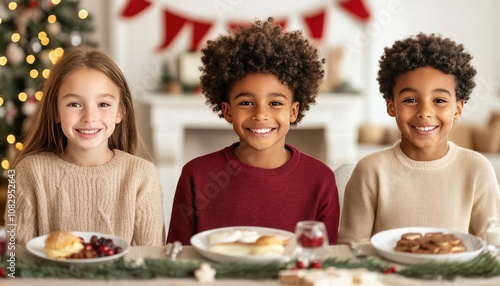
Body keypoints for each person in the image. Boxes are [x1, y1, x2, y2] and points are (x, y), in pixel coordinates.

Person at [167, 17, 340, 245]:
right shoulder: (196, 175)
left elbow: (323, 260)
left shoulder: (320, 179)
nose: (260, 114)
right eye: (246, 103)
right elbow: (177, 256)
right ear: (227, 111)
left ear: (293, 111)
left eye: (275, 103)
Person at [338, 33, 500, 243]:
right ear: (391, 106)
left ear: (458, 109)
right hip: (384, 276)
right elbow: (352, 248)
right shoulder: (370, 170)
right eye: (411, 99)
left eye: (439, 100)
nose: (425, 112)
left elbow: (493, 249)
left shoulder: (477, 169)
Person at [8, 47, 165, 246]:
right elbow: (15, 263)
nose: (89, 117)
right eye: (74, 104)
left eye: (103, 104)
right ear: (55, 111)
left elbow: (151, 262)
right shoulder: (27, 172)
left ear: (120, 112)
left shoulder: (142, 175)